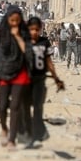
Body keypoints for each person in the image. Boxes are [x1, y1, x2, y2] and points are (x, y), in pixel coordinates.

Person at [0, 6, 31, 149]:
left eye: (17, 20)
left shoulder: (23, 32)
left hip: (19, 73)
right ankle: (4, 128)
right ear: (7, 19)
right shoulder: (1, 32)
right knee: (2, 106)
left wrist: (17, 36)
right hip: (3, 72)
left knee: (15, 106)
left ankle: (12, 140)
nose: (15, 23)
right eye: (12, 20)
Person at [21, 17, 63, 148]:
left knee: (38, 108)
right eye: (31, 29)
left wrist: (56, 78)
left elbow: (49, 62)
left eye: (36, 29)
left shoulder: (45, 43)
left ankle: (39, 135)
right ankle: (27, 137)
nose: (34, 32)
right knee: (25, 108)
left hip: (39, 80)